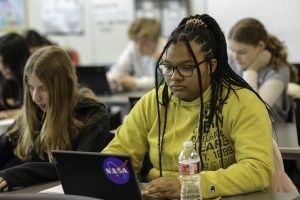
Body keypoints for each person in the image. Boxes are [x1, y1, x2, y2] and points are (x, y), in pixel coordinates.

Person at [102, 14, 274, 199]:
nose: (174, 77)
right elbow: (116, 157)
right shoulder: (152, 102)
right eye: (168, 67)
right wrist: (113, 176)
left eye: (186, 68)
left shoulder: (242, 103)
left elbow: (258, 170)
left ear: (211, 65)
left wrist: (188, 185)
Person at [0, 46, 109, 192]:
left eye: (43, 88)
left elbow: (75, 166)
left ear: (64, 86)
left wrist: (14, 175)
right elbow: (3, 146)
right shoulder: (34, 112)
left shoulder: (92, 114)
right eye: (31, 88)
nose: (35, 97)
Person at [228, 18, 298, 123]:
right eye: (232, 50)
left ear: (260, 46)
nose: (235, 57)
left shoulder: (278, 70)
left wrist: (252, 70)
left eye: (242, 52)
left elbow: (252, 112)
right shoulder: (233, 60)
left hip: (273, 133)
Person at [107, 17, 164, 92]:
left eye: (144, 43)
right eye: (136, 41)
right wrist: (116, 81)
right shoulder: (133, 47)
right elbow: (115, 72)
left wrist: (135, 83)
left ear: (156, 40)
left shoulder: (167, 49)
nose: (138, 47)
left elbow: (162, 81)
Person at [0, 33, 30, 119]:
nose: (2, 67)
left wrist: (16, 113)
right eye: (0, 61)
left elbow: (39, 111)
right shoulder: (3, 78)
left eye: (6, 62)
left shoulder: (32, 81)